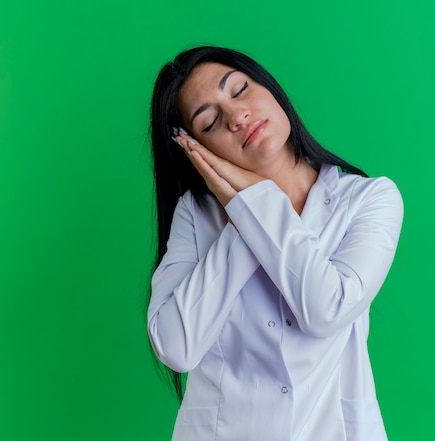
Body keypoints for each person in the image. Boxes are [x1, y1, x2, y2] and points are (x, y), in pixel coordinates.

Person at [146, 45, 403, 441]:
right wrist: (246, 209)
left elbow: (326, 310)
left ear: (269, 87)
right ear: (196, 150)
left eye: (239, 90)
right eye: (210, 121)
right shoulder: (196, 216)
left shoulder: (369, 201)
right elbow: (175, 345)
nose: (237, 117)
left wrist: (258, 203)